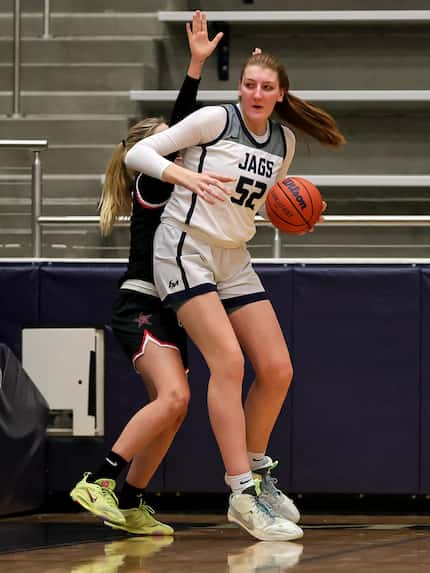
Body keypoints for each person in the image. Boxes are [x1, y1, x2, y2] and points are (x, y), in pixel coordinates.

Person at [125, 50, 345, 541]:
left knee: (277, 369)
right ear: (240, 88)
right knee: (228, 363)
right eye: (249, 85)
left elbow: (259, 201)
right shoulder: (214, 119)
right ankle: (241, 493)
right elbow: (137, 154)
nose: (257, 94)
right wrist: (187, 176)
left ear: (280, 94)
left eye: (266, 87)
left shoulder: (283, 141)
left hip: (233, 256)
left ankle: (258, 470)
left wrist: (301, 213)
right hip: (185, 247)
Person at [70, 11, 224, 536]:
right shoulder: (153, 184)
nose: (177, 142)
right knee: (174, 398)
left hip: (170, 306)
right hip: (140, 304)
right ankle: (102, 480)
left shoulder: (174, 184)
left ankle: (133, 499)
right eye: (166, 140)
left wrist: (198, 62)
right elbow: (175, 133)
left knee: (175, 409)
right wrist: (194, 73)